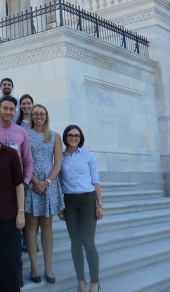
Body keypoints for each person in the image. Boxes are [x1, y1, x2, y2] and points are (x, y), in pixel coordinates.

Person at [0, 96, 33, 288]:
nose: (8, 112)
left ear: (15, 110)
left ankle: (15, 279)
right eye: (5, 108)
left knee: (12, 252)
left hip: (12, 198)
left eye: (12, 109)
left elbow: (28, 160)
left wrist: (24, 183)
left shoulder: (21, 133)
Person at [58, 125, 103, 292]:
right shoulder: (60, 157)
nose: (73, 138)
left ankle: (95, 283)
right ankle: (81, 281)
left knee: (88, 243)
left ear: (81, 137)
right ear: (65, 137)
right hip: (69, 201)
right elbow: (60, 183)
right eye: (70, 135)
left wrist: (100, 205)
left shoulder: (88, 156)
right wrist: (60, 206)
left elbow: (95, 181)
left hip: (87, 201)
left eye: (76, 135)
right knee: (75, 243)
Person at [24, 104, 64, 285]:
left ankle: (48, 268)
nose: (39, 116)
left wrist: (46, 182)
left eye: (42, 113)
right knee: (31, 225)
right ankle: (34, 268)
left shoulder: (54, 136)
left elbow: (58, 163)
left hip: (49, 185)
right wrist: (34, 181)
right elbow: (24, 160)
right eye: (36, 114)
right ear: (31, 116)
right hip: (32, 184)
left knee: (47, 226)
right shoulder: (26, 134)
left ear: (46, 116)